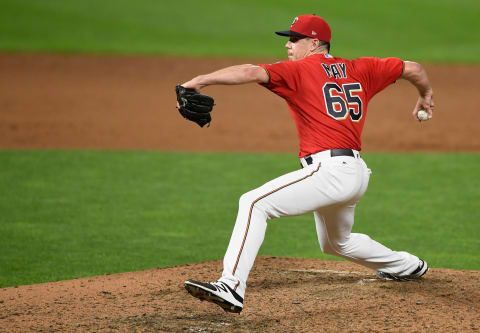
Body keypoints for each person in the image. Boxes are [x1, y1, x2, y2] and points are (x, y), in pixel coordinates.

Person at [180, 14, 434, 314]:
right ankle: (407, 265)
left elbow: (250, 71)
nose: (288, 45)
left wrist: (198, 81)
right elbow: (414, 68)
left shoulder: (299, 71)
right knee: (336, 243)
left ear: (314, 43)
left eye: (294, 39)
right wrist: (425, 95)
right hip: (355, 174)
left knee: (253, 203)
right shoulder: (361, 68)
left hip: (330, 173)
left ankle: (231, 285)